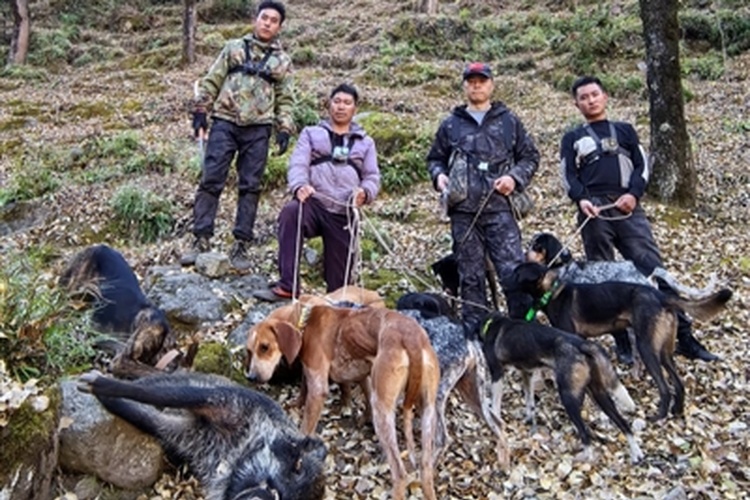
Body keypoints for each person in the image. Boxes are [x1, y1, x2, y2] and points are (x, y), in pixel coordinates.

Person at [559, 75, 717, 362]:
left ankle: (683, 335)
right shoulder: (572, 138)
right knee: (603, 278)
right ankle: (622, 341)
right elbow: (568, 175)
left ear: (605, 96)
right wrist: (582, 199)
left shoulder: (626, 130)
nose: (590, 100)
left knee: (655, 270)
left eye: (595, 94)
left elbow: (642, 166)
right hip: (593, 212)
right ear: (576, 103)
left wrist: (633, 194)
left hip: (628, 209)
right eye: (584, 97)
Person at [181, 0, 294, 271]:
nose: (267, 23)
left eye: (273, 20)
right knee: (211, 179)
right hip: (224, 122)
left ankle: (241, 243)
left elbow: (286, 98)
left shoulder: (282, 61)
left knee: (250, 186)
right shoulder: (233, 48)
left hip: (259, 128)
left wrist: (285, 127)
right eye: (264, 17)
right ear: (256, 19)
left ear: (279, 27)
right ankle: (200, 238)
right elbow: (212, 80)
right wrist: (200, 111)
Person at [427, 62, 540, 332]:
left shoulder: (508, 122)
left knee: (513, 273)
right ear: (465, 85)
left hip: (501, 210)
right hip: (463, 213)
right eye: (471, 81)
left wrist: (514, 178)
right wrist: (438, 176)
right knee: (470, 276)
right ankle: (477, 332)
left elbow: (530, 157)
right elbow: (435, 159)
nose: (476, 85)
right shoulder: (451, 124)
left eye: (482, 80)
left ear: (491, 85)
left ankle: (524, 333)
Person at [253, 84, 380, 302]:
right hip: (314, 203)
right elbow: (298, 164)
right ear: (329, 104)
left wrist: (365, 193)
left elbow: (372, 176)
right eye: (337, 101)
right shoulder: (311, 133)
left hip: (344, 211)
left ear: (355, 109)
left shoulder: (365, 142)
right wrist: (300, 185)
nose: (341, 107)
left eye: (347, 103)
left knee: (339, 289)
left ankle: (334, 307)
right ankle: (287, 285)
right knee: (291, 213)